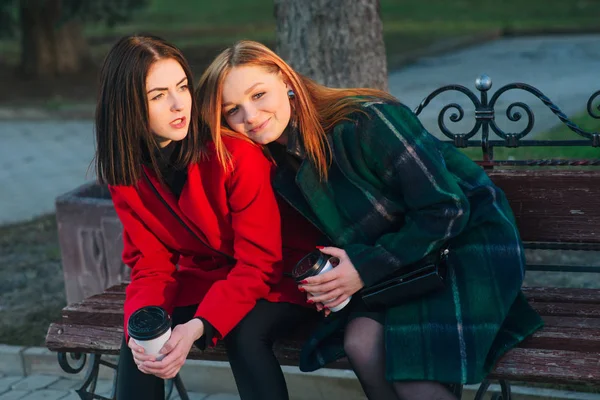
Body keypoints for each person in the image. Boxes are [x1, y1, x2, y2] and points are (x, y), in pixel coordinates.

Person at [196, 40, 544, 400]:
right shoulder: (278, 162)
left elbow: (447, 210)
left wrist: (363, 268)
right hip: (403, 265)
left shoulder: (366, 121)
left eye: (258, 95)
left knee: (412, 372)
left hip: (466, 246)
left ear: (286, 80)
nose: (250, 116)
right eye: (232, 110)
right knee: (361, 343)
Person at [94, 35, 318, 400]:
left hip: (281, 275)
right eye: (158, 95)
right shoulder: (128, 172)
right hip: (212, 278)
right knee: (143, 335)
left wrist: (197, 327)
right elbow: (150, 266)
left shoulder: (233, 153)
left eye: (182, 86)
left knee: (243, 331)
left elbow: (259, 263)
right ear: (127, 107)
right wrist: (143, 329)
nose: (179, 103)